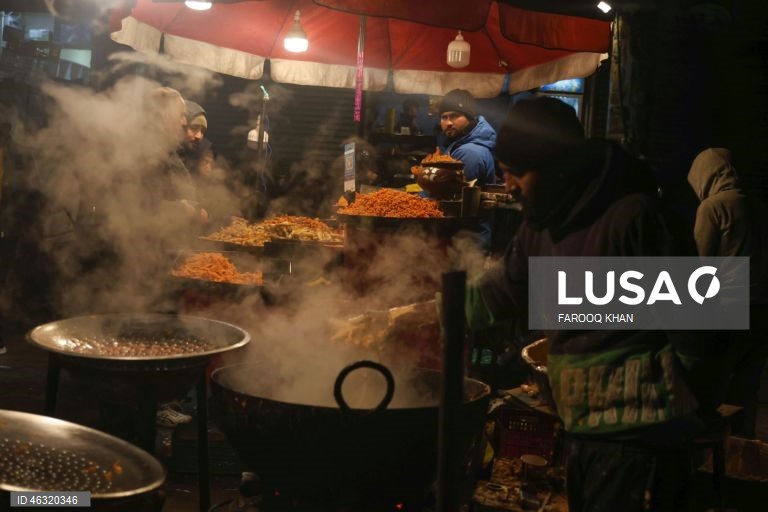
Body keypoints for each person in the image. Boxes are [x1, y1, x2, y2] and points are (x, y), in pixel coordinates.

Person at [467, 97, 715, 511]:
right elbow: (499, 292)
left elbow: (701, 331)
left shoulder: (636, 217)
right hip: (582, 435)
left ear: (554, 166)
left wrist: (680, 411)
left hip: (642, 449)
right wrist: (413, 316)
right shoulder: (542, 225)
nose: (507, 185)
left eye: (516, 172)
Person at [687, 147, 768, 438]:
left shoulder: (713, 207)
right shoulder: (757, 206)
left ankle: (716, 451)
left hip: (727, 309)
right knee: (747, 385)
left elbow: (701, 264)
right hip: (761, 308)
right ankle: (742, 448)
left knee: (716, 383)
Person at [438, 89, 497, 250]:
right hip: (462, 238)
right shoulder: (459, 145)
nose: (449, 122)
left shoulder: (469, 152)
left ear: (469, 118)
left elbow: (453, 198)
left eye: (455, 116)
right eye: (444, 117)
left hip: (467, 243)